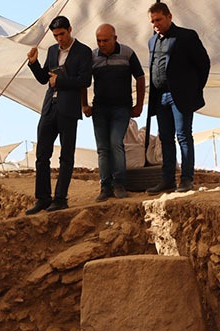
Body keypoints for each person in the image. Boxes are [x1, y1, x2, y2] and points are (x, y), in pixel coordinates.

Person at [25, 15, 93, 215]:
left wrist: (60, 82)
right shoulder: (53, 50)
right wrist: (34, 64)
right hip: (49, 107)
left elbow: (85, 80)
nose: (59, 39)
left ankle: (60, 198)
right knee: (41, 155)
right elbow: (44, 78)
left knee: (66, 155)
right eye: (55, 36)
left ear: (70, 30)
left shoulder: (83, 51)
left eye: (62, 34)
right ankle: (43, 198)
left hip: (69, 108)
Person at [146, 2, 210, 194]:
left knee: (183, 136)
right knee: (165, 138)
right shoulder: (152, 41)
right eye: (152, 21)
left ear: (169, 17)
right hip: (160, 97)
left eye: (158, 19)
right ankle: (167, 180)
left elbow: (203, 64)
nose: (155, 24)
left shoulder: (187, 36)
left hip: (180, 97)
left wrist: (194, 89)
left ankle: (186, 179)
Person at [82, 24, 146, 202]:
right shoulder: (93, 56)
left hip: (121, 108)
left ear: (115, 38)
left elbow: (140, 78)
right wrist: (84, 104)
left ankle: (119, 183)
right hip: (100, 108)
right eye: (99, 40)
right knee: (102, 149)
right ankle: (105, 186)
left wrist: (139, 105)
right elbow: (83, 81)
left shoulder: (127, 53)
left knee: (116, 142)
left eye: (105, 40)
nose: (102, 44)